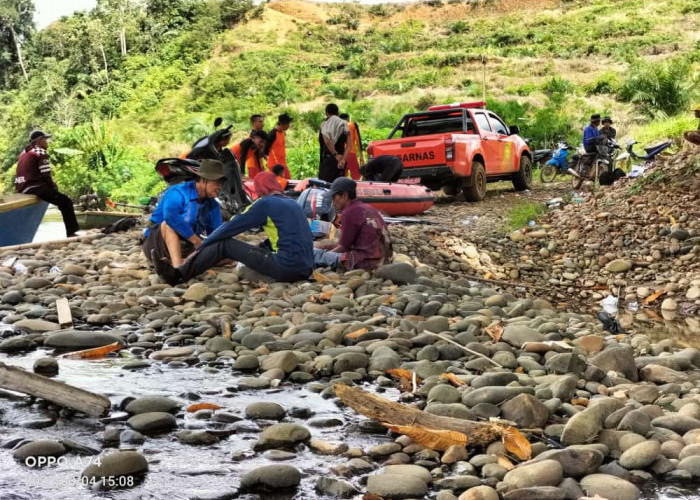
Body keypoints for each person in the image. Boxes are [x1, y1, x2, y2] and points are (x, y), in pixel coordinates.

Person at [152, 172, 314, 285]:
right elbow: (286, 237)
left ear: (259, 190)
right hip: (305, 268)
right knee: (259, 246)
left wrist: (202, 246)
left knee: (224, 244)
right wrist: (259, 248)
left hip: (287, 267)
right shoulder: (294, 203)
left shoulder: (265, 203)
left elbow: (230, 227)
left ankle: (178, 275)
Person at [142, 159, 225, 267]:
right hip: (156, 245)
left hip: (186, 247)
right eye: (217, 183)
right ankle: (178, 266)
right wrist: (195, 240)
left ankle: (186, 260)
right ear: (204, 180)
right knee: (169, 224)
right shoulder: (178, 192)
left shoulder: (213, 205)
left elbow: (216, 234)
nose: (220, 188)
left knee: (226, 255)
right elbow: (170, 217)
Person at [313, 177, 393, 272]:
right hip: (385, 259)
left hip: (366, 263)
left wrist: (324, 256)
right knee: (322, 248)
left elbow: (344, 247)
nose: (333, 202)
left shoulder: (348, 212)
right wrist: (324, 247)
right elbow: (348, 244)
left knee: (317, 254)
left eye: (334, 197)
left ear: (344, 196)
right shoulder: (366, 207)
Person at [14, 130, 80, 238]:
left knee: (58, 198)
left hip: (22, 187)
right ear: (39, 141)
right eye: (45, 139)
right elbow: (46, 175)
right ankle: (71, 232)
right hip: (33, 187)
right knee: (66, 202)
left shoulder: (23, 153)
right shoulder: (40, 152)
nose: (47, 142)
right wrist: (54, 187)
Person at [319, 103, 350, 182]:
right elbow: (349, 145)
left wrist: (335, 154)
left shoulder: (324, 124)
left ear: (326, 113)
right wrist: (343, 159)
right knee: (338, 186)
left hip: (329, 160)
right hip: (341, 161)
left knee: (326, 187)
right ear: (338, 112)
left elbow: (327, 141)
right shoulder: (344, 124)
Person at [265, 113, 293, 179]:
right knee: (279, 184)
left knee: (288, 181)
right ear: (283, 124)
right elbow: (265, 149)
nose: (289, 126)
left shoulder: (282, 133)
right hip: (275, 165)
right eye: (288, 124)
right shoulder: (272, 134)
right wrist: (269, 159)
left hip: (282, 163)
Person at [339, 113, 363, 180]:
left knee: (341, 176)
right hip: (350, 153)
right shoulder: (352, 125)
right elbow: (358, 140)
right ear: (348, 119)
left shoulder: (336, 127)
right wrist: (361, 155)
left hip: (340, 154)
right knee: (356, 176)